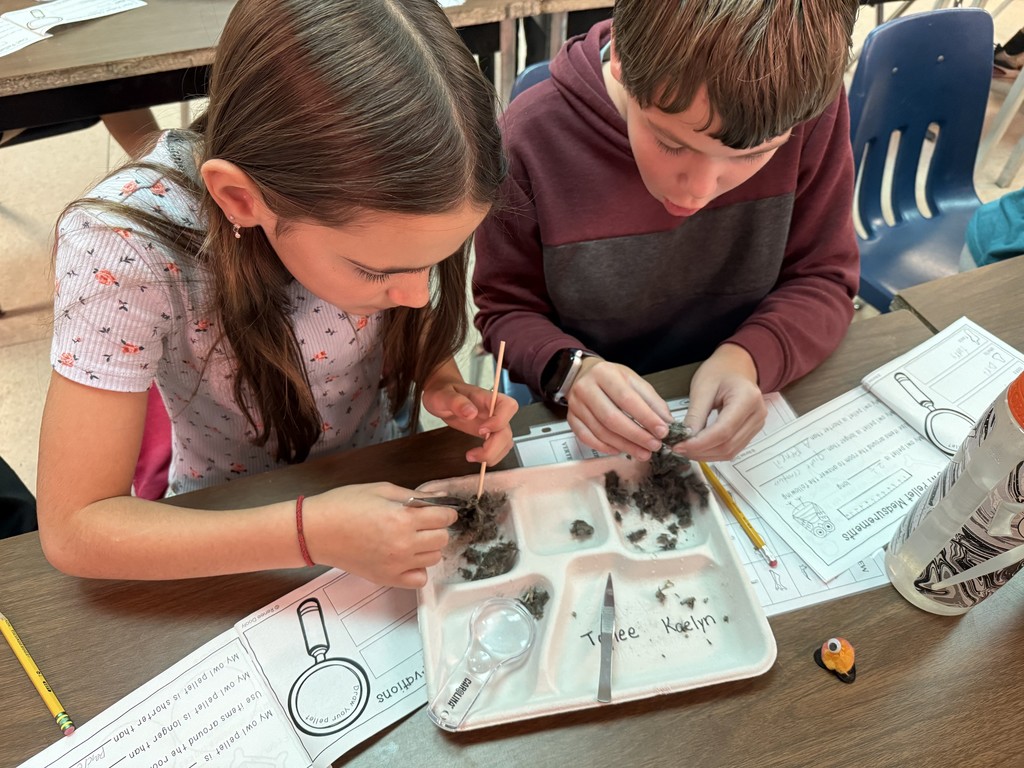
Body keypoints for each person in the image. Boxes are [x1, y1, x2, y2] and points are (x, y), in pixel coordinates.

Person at [37, 0, 515, 589]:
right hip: (223, 531)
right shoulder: (125, 247)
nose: (418, 297)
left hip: (376, 481)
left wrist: (439, 380)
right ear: (241, 200)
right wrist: (306, 533)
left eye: (435, 262)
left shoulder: (396, 227)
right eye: (375, 271)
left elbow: (407, 309)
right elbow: (75, 527)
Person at [473, 0, 860, 463]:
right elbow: (506, 310)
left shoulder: (803, 111)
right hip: (585, 422)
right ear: (620, 58)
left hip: (739, 407)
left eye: (751, 155)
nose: (698, 192)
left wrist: (751, 359)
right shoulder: (529, 137)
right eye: (671, 142)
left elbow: (824, 278)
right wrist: (571, 371)